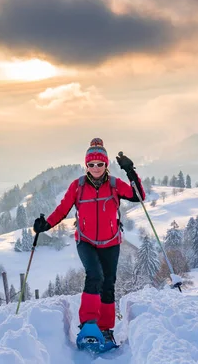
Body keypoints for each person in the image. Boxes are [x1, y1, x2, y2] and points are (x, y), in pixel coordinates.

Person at [32, 138, 145, 349]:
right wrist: (45, 225)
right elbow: (62, 209)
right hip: (86, 241)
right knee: (95, 276)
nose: (95, 168)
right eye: (91, 164)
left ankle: (105, 330)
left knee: (108, 284)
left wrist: (130, 172)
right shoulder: (78, 186)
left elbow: (138, 196)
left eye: (99, 164)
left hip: (111, 242)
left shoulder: (114, 184)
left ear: (106, 165)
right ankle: (88, 325)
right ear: (86, 166)